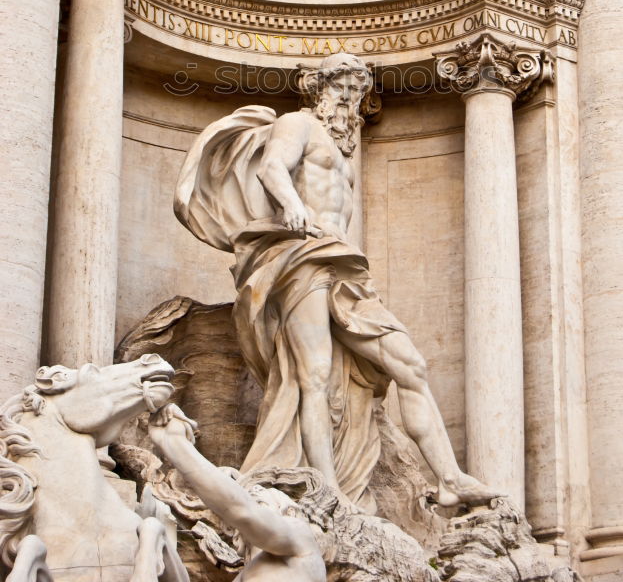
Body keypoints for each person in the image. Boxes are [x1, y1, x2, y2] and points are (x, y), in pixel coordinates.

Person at [175, 53, 498, 510]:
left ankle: (449, 478)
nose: (349, 97)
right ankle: (327, 492)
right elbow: (271, 169)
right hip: (302, 256)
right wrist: (291, 205)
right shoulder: (298, 124)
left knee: (410, 364)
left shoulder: (341, 149)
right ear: (319, 88)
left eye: (356, 89)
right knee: (316, 376)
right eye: (340, 87)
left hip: (342, 263)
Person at [148, 403, 326, 582]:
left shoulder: (302, 541)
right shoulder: (245, 575)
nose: (248, 500)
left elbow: (242, 511)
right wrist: (155, 540)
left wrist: (174, 443)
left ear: (289, 512)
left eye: (259, 502)